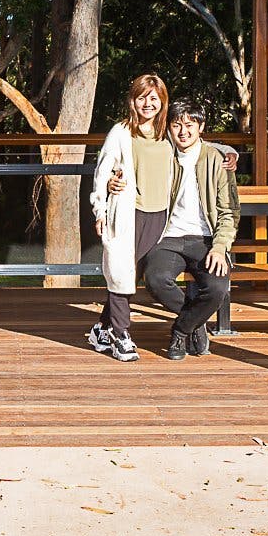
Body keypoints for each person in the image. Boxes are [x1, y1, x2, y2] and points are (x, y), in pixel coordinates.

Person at [140, 99, 237, 360]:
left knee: (217, 288)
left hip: (205, 239)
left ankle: (182, 330)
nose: (183, 131)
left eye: (190, 125)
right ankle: (197, 322)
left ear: (201, 126)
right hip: (169, 237)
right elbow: (133, 155)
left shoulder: (217, 160)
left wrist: (219, 248)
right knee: (155, 278)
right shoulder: (162, 154)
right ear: (169, 128)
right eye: (176, 125)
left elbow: (229, 211)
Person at [86, 74, 174, 361]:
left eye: (153, 98)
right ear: (132, 101)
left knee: (129, 275)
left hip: (160, 215)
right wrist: (100, 208)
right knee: (122, 272)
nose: (147, 103)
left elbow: (200, 148)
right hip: (128, 213)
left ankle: (102, 327)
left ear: (162, 101)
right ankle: (121, 334)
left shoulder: (168, 133)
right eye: (141, 97)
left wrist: (230, 153)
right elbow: (102, 173)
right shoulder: (121, 132)